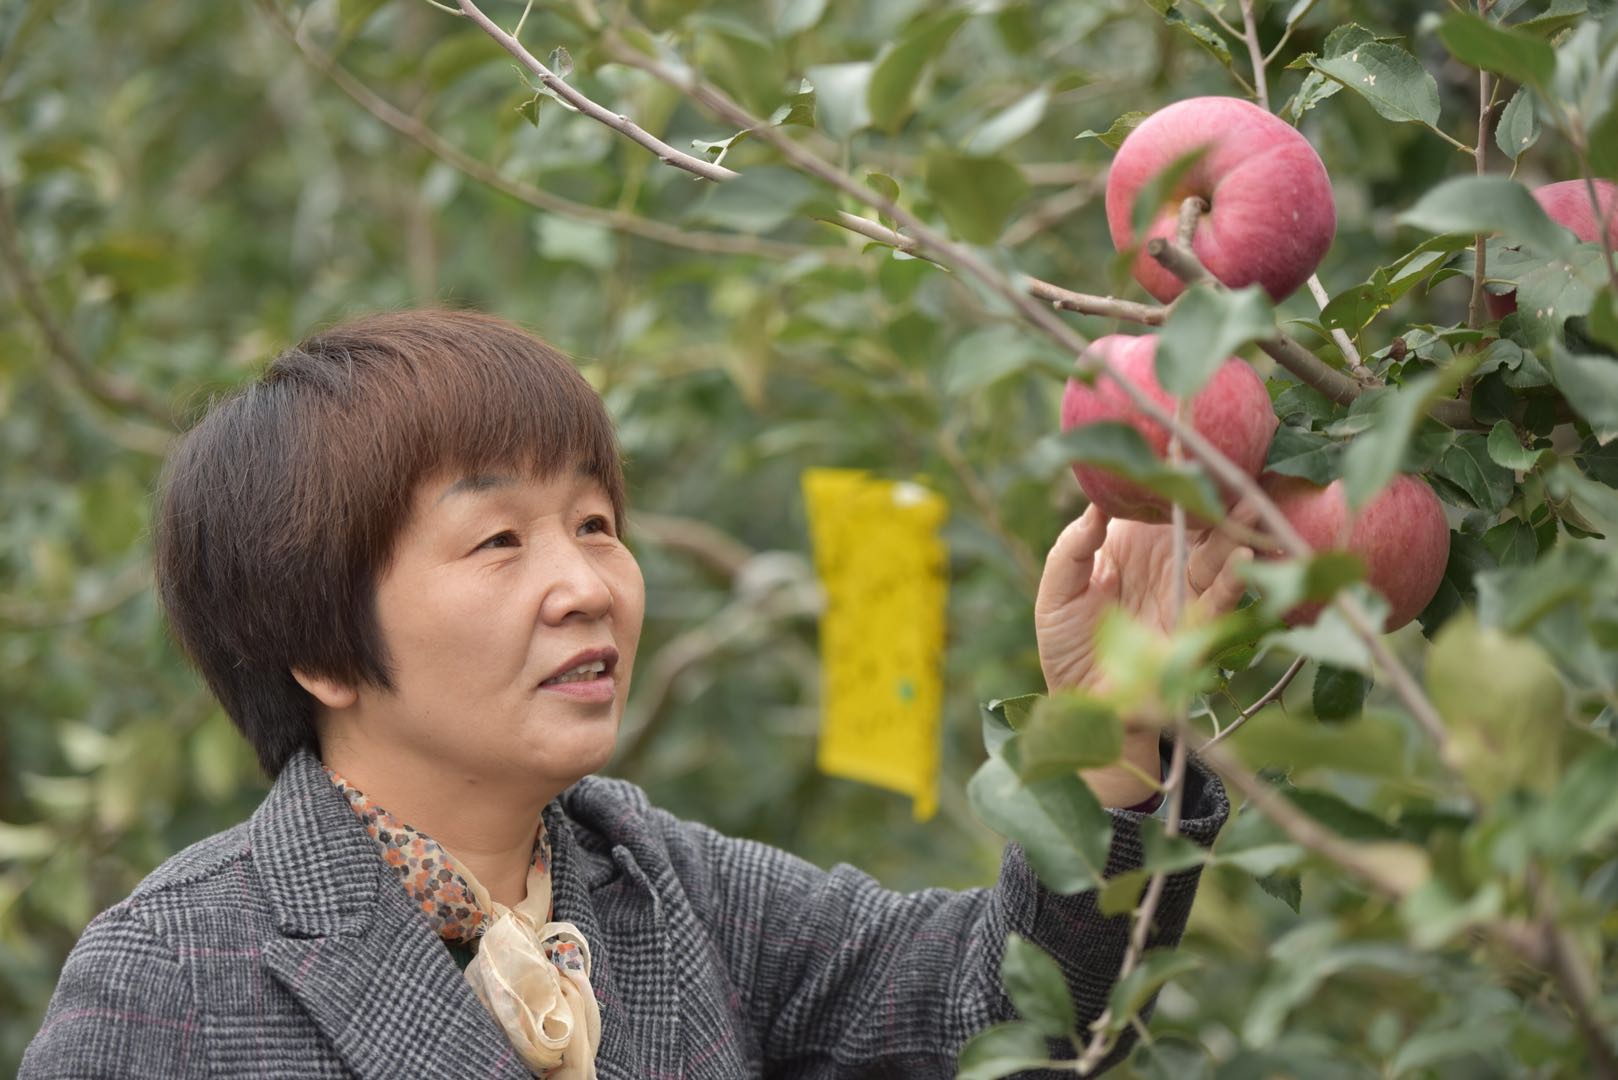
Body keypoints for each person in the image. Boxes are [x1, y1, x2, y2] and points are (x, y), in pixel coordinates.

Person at [20, 309, 1246, 1078]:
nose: (586, 585)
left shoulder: (656, 884)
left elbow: (1010, 1021)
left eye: (596, 524)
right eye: (498, 541)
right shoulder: (173, 976)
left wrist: (1112, 723)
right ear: (320, 648)